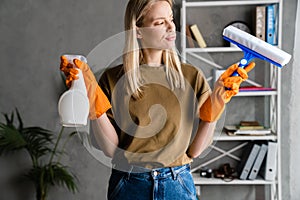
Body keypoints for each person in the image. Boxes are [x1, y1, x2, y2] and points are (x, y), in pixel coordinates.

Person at [60, 0, 255, 199]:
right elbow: (111, 149)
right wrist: (92, 97)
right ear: (138, 30)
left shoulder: (191, 77)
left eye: (171, 19)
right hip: (129, 186)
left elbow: (195, 151)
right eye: (160, 22)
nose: (172, 27)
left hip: (176, 184)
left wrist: (216, 103)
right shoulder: (113, 79)